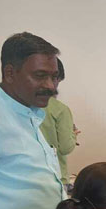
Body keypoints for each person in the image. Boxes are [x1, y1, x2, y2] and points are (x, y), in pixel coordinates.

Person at [0, 32, 65, 209]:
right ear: (10, 73)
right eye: (40, 76)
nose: (49, 85)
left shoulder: (29, 114)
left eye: (54, 77)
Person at [39, 58, 78, 187]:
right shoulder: (60, 109)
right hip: (55, 177)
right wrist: (73, 135)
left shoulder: (21, 105)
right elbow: (65, 147)